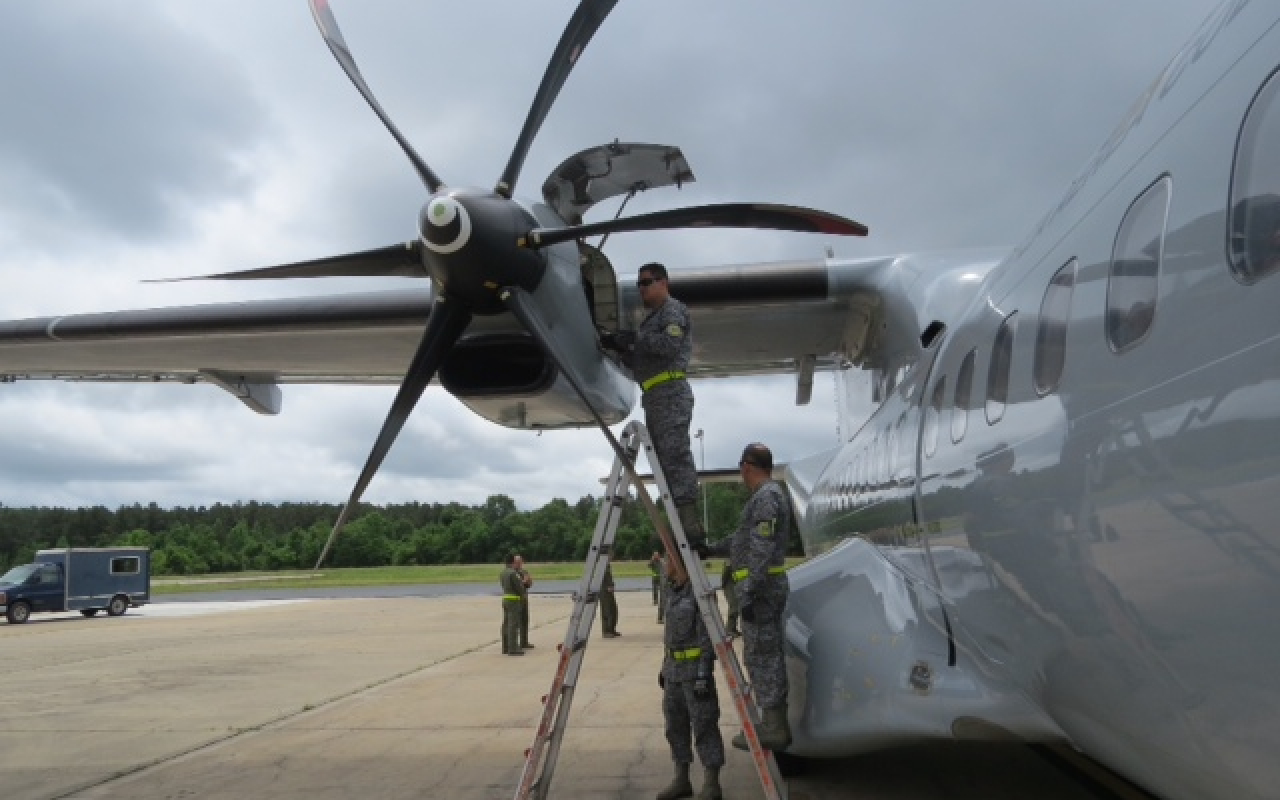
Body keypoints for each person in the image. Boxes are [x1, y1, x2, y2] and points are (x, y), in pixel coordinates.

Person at [599, 263, 706, 548]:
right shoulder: (651, 319)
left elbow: (667, 346)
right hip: (654, 395)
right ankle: (677, 520)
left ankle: (689, 521)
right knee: (662, 459)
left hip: (670, 392)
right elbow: (643, 361)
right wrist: (622, 349)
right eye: (640, 284)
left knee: (675, 455)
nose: (642, 289)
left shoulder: (673, 310)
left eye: (647, 282)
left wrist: (633, 339)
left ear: (663, 282)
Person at [706, 442, 791, 751]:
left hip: (761, 592)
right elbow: (744, 540)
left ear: (746, 467)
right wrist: (712, 548)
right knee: (758, 655)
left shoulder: (767, 497)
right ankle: (771, 721)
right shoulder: (764, 498)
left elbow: (762, 548)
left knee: (765, 657)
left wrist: (749, 591)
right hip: (760, 591)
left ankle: (774, 726)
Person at [657, 559, 724, 800]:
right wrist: (664, 666)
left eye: (668, 558)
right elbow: (669, 634)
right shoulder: (670, 589)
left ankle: (712, 782)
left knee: (705, 725)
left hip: (695, 673)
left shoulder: (700, 592)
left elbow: (708, 635)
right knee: (675, 727)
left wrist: (704, 673)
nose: (664, 563)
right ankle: (681, 778)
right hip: (673, 670)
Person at [499, 553, 526, 656]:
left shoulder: (503, 573)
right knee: (513, 625)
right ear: (512, 562)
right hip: (513, 600)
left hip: (505, 599)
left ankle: (505, 646)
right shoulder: (513, 573)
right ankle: (513, 648)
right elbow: (519, 587)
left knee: (506, 624)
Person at [514, 554, 534, 649]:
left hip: (524, 598)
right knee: (515, 622)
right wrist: (523, 582)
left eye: (521, 562)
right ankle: (514, 643)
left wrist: (529, 581)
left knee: (525, 620)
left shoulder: (524, 571)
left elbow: (529, 584)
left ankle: (524, 641)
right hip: (516, 599)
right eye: (517, 562)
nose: (520, 564)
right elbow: (514, 586)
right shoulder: (512, 573)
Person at [599, 563, 620, 638]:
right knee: (606, 611)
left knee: (613, 610)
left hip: (609, 591)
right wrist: (605, 587)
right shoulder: (600, 564)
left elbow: (609, 577)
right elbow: (598, 578)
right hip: (604, 592)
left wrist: (611, 585)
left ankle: (611, 629)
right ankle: (606, 631)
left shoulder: (607, 565)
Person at [720, 560, 740, 638]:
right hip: (729, 584)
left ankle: (733, 628)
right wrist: (723, 585)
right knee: (734, 606)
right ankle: (729, 629)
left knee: (737, 606)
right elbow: (725, 572)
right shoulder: (731, 556)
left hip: (735, 583)